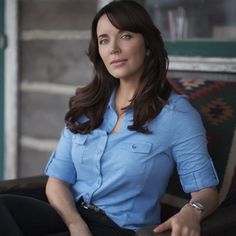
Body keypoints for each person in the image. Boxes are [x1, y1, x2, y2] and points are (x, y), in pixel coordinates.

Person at [0, 1, 219, 236]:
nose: (113, 48)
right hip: (69, 215)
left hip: (117, 229)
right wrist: (76, 225)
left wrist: (192, 211)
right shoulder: (88, 104)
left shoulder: (177, 116)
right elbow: (57, 181)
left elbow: (206, 191)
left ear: (147, 45)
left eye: (125, 36)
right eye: (104, 40)